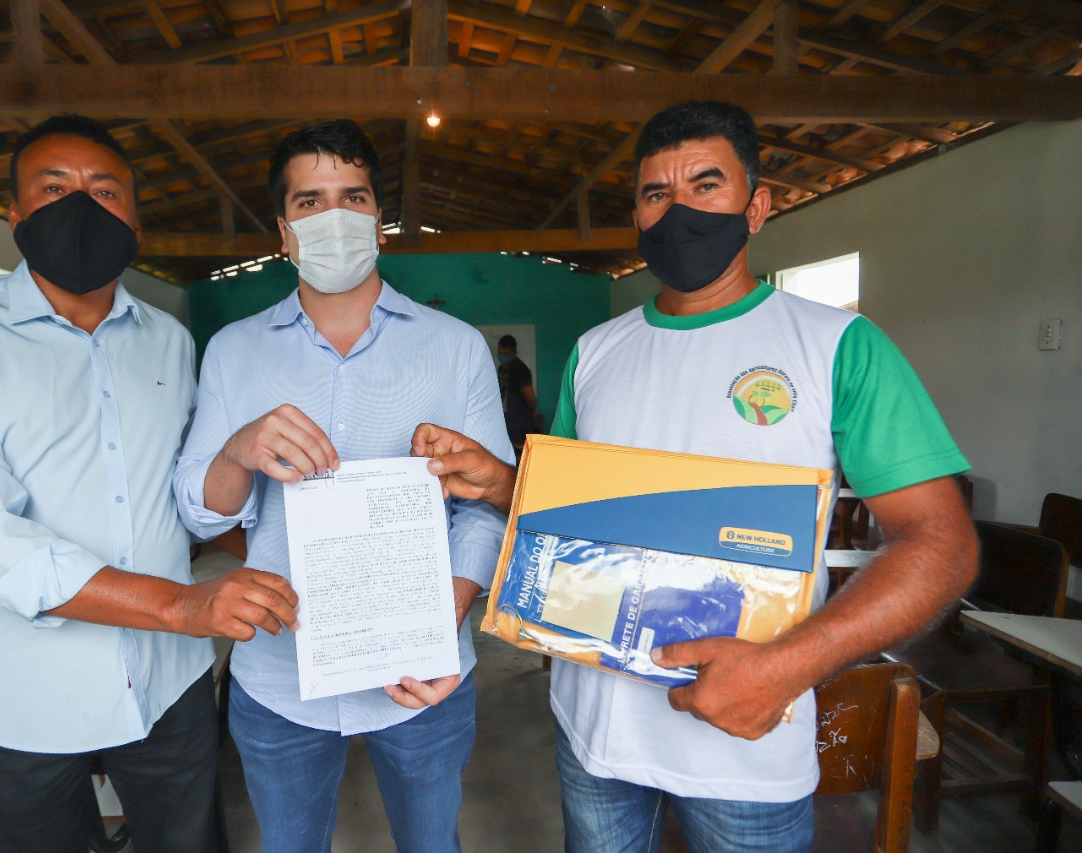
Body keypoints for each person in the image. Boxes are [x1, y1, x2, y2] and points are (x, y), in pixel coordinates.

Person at [414, 101, 979, 853]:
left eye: (705, 184)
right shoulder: (597, 350)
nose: (678, 209)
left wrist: (785, 668)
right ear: (638, 217)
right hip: (595, 729)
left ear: (758, 204)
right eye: (656, 193)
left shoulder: (838, 346)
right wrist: (500, 481)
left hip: (744, 739)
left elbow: (942, 544)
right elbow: (586, 512)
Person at [0, 115, 298, 853]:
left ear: (135, 217)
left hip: (167, 688)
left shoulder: (167, 339)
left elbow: (185, 494)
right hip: (22, 698)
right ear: (14, 213)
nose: (82, 206)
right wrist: (180, 603)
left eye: (105, 191)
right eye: (54, 188)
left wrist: (306, 559)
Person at [172, 119, 512, 853]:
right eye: (309, 202)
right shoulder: (233, 352)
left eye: (352, 198)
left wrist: (443, 616)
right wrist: (238, 448)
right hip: (279, 674)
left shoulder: (453, 349)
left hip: (423, 676)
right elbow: (201, 512)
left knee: (432, 843)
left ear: (379, 224)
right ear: (284, 233)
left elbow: (483, 508)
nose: (332, 218)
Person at [495, 333, 537, 452]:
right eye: (500, 353)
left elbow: (530, 395)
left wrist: (532, 409)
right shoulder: (501, 368)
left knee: (519, 454)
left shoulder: (521, 370)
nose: (502, 356)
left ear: (514, 352)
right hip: (505, 420)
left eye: (506, 353)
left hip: (519, 422)